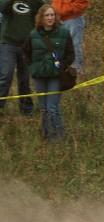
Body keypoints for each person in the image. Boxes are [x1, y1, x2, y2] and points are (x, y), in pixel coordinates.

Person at [22, 5, 73, 140]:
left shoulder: (64, 32)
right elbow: (25, 52)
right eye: (47, 15)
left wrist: (62, 66)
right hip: (39, 75)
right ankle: (46, 135)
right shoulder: (33, 34)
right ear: (41, 17)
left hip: (55, 76)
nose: (50, 18)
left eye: (52, 15)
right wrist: (32, 67)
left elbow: (70, 54)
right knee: (43, 108)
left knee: (52, 107)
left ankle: (59, 137)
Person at [0, 0, 43, 115]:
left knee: (24, 79)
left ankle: (26, 109)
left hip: (27, 45)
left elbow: (45, 12)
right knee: (6, 75)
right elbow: (3, 9)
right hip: (8, 43)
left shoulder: (35, 2)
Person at [52, 0, 88, 73]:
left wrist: (63, 11)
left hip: (73, 19)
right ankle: (60, 68)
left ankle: (75, 69)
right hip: (58, 19)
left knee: (74, 44)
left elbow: (81, 3)